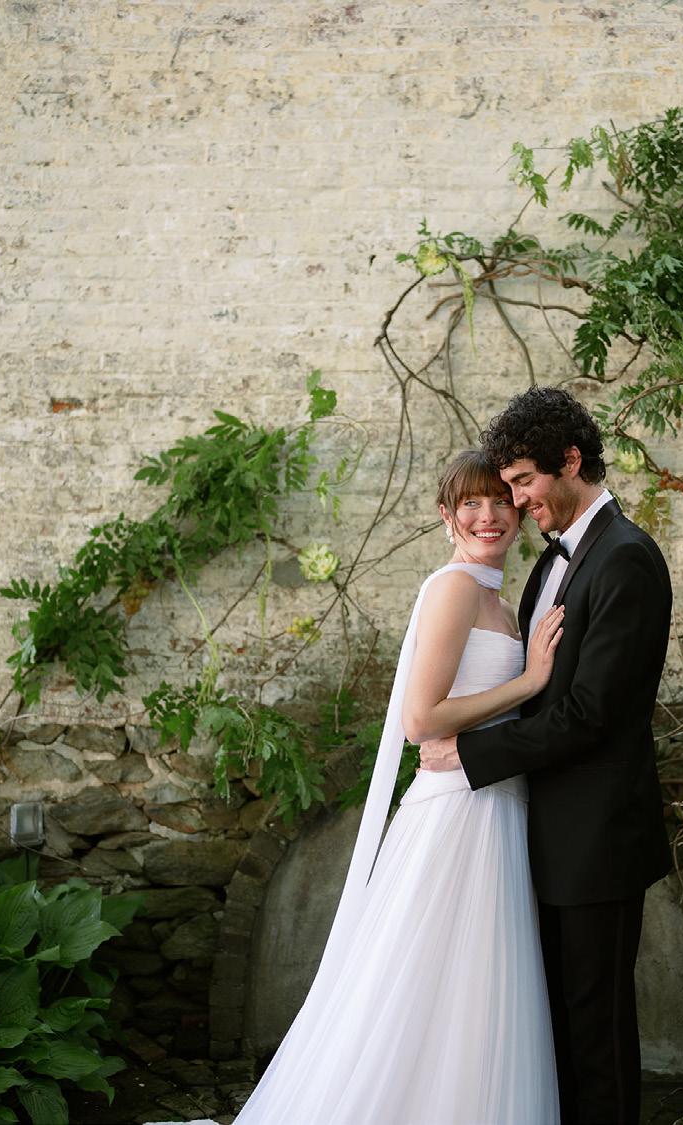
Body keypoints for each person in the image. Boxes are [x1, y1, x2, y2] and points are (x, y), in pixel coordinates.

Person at [234, 451, 563, 1125]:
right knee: (420, 985)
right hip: (454, 816)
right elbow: (421, 720)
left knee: (471, 994)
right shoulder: (454, 589)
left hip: (497, 809)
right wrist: (530, 681)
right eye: (470, 503)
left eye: (500, 500)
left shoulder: (503, 603)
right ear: (446, 517)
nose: (488, 515)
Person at [421, 387, 673, 1125]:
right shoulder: (556, 561)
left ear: (570, 460)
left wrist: (472, 755)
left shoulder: (626, 558)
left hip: (597, 839)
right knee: (556, 1028)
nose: (516, 501)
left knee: (596, 1032)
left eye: (524, 481)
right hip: (538, 832)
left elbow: (590, 714)